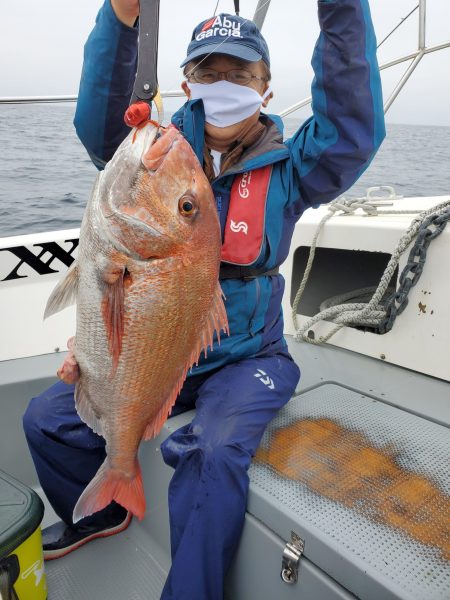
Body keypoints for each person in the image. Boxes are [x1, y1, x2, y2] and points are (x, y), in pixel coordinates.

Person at [23, 0, 385, 598]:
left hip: (247, 357)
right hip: (162, 348)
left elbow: (349, 129)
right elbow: (95, 122)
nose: (224, 86)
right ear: (186, 80)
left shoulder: (293, 168)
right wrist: (118, 20)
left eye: (241, 74)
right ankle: (101, 510)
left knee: (213, 455)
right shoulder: (153, 150)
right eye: (209, 72)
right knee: (46, 420)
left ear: (267, 90)